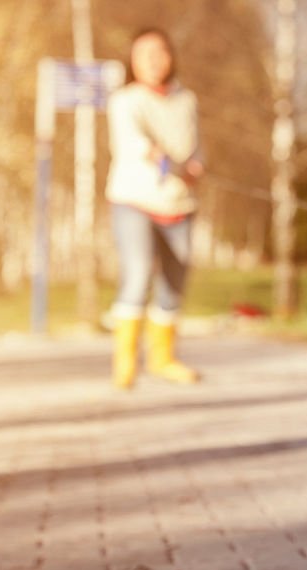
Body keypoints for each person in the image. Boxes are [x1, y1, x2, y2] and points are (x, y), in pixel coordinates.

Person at [106, 28, 204, 389]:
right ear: (133, 61)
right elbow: (132, 141)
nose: (151, 60)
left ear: (170, 56)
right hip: (134, 198)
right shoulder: (125, 100)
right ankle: (125, 362)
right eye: (143, 54)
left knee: (174, 283)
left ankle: (162, 359)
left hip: (179, 202)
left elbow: (196, 145)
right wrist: (156, 153)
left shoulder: (186, 100)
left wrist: (196, 166)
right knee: (139, 271)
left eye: (158, 52)